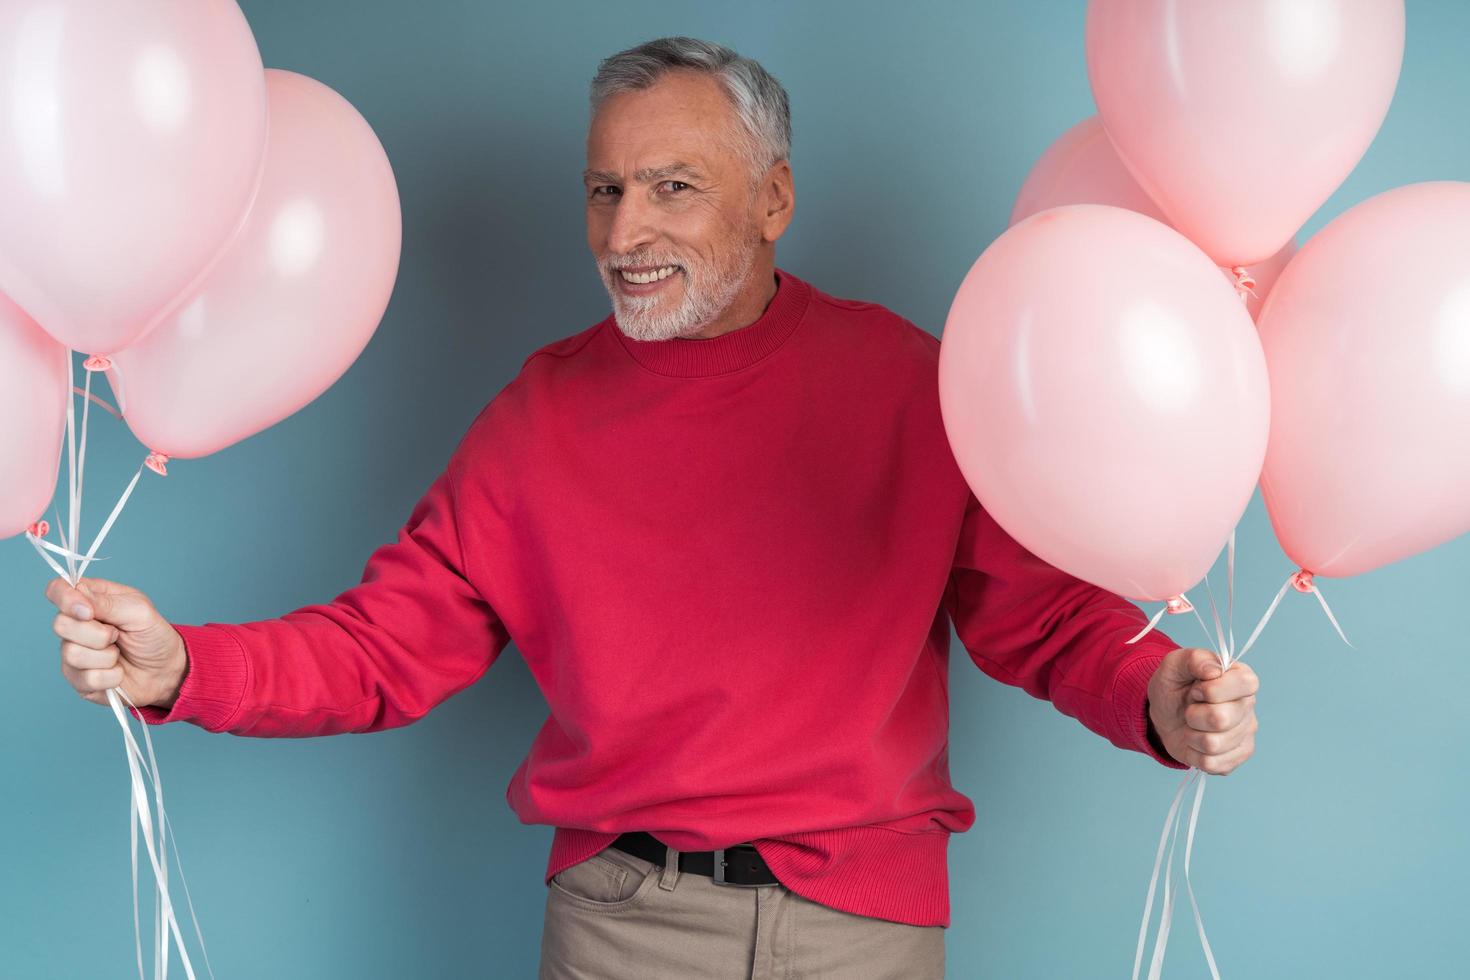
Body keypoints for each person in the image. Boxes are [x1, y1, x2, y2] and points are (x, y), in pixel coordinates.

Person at [44, 36, 1260, 980]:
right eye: (605, 189)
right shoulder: (540, 418)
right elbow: (382, 649)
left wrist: (1156, 692)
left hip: (863, 926)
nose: (625, 233)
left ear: (773, 198)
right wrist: (181, 665)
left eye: (673, 187)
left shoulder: (910, 381)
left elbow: (1041, 620)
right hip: (620, 924)